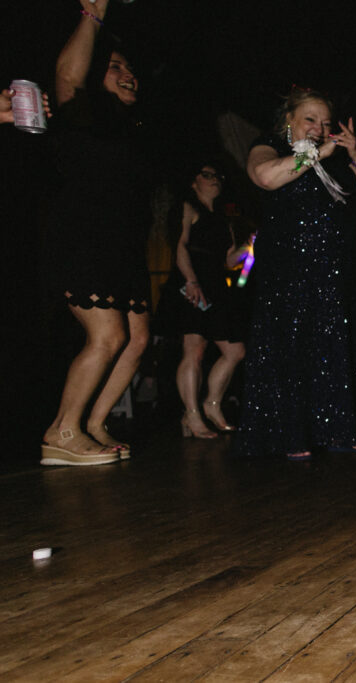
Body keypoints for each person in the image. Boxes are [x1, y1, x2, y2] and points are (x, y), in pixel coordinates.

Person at [238, 87, 356, 460]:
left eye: (325, 123)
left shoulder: (338, 158)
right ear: (288, 120)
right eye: (310, 120)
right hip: (290, 270)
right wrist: (315, 153)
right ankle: (293, 434)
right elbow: (265, 176)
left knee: (338, 347)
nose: (320, 129)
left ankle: (343, 429)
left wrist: (354, 153)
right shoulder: (271, 145)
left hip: (338, 271)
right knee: (294, 347)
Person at [41, 0, 151, 465]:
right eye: (115, 68)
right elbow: (66, 79)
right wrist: (93, 15)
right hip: (83, 239)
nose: (128, 75)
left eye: (131, 69)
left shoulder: (129, 129)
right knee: (105, 336)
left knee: (137, 337)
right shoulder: (83, 118)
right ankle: (60, 432)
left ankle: (92, 424)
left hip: (121, 246)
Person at [173, 163, 250, 438]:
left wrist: (250, 246)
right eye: (207, 175)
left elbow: (229, 261)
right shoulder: (188, 207)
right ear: (194, 182)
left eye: (218, 175)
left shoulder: (222, 219)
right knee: (194, 349)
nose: (215, 179)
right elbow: (179, 246)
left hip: (217, 287)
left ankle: (211, 404)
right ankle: (191, 415)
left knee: (235, 351)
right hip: (193, 282)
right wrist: (190, 281)